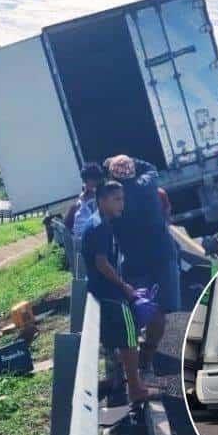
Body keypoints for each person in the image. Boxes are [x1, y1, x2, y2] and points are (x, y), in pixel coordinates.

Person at [104, 154, 180, 371]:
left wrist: (110, 165)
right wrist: (130, 161)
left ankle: (130, 358)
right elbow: (150, 166)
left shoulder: (114, 199)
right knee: (160, 311)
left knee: (135, 308)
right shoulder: (149, 186)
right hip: (162, 255)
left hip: (135, 261)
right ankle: (147, 355)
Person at [81, 181, 154, 403]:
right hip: (111, 294)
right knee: (129, 340)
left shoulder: (100, 222)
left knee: (119, 341)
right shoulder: (100, 226)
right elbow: (102, 263)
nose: (122, 203)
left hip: (103, 293)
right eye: (117, 199)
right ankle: (136, 389)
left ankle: (126, 383)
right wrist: (124, 287)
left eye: (122, 198)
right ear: (102, 200)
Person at [64, 163, 103, 239]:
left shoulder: (102, 197)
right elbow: (67, 223)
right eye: (86, 180)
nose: (88, 183)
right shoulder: (81, 199)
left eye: (94, 179)